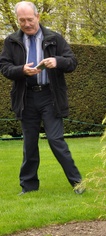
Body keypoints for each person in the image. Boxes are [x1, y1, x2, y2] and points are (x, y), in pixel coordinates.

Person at [0, 1, 84, 195]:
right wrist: (21, 70)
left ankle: (77, 183)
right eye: (22, 20)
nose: (27, 24)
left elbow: (72, 62)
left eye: (30, 19)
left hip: (50, 96)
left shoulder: (54, 38)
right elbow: (4, 67)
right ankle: (28, 186)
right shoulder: (11, 41)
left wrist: (57, 61)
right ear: (17, 20)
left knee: (56, 140)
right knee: (29, 143)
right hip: (26, 97)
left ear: (37, 17)